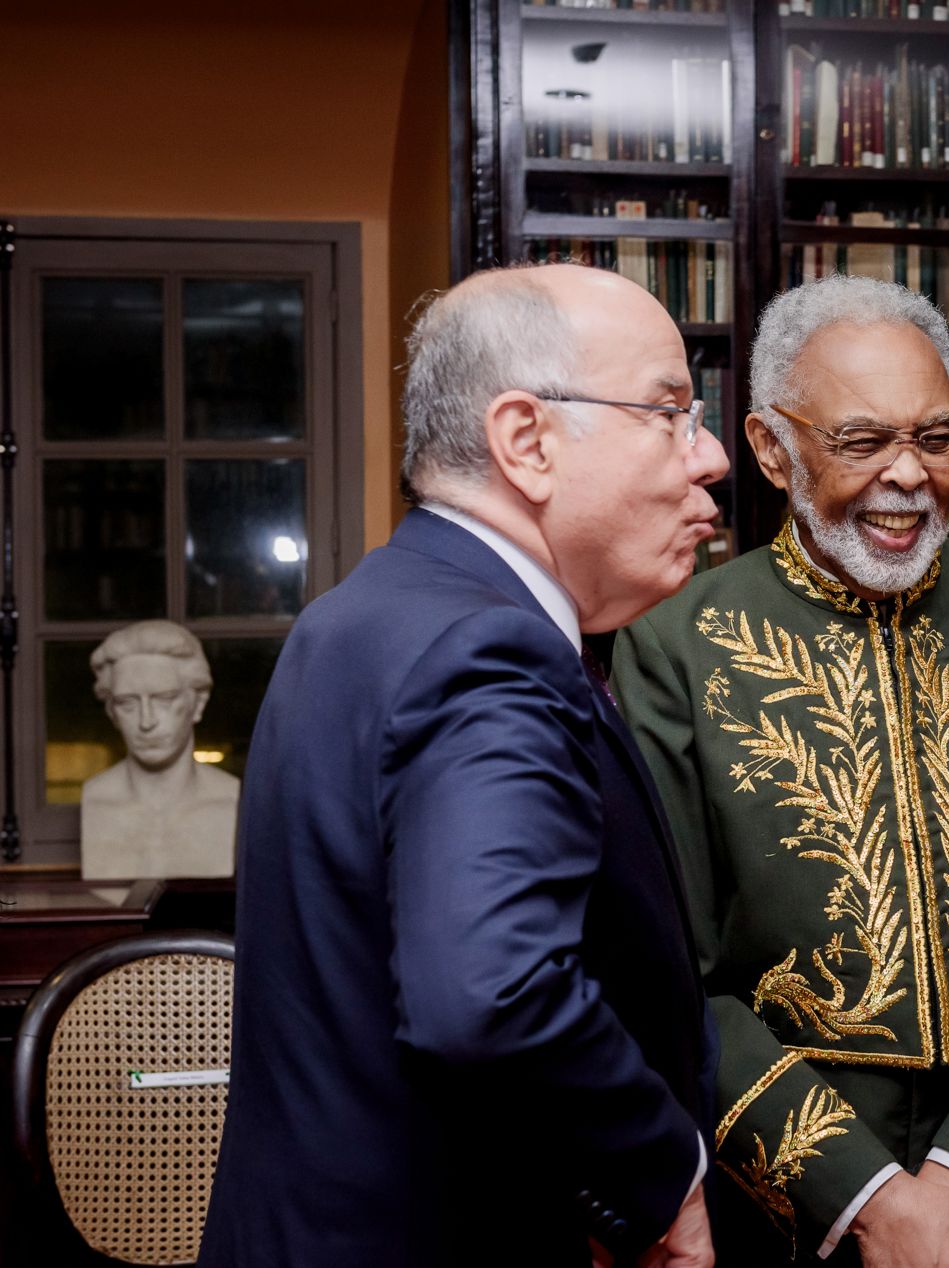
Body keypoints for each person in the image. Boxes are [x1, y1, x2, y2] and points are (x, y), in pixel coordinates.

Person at [613, 275, 949, 1267]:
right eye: (862, 441)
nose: (910, 475)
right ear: (772, 447)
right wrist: (862, 1194)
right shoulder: (674, 645)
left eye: (938, 438)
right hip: (789, 1210)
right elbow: (664, 966)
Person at [199, 263, 729, 1268]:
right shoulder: (488, 649)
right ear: (526, 440)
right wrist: (662, 1176)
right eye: (667, 412)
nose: (706, 456)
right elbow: (489, 994)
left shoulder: (358, 613)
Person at [79, 619, 240, 880]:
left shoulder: (229, 799)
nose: (146, 721)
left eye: (165, 699)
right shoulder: (96, 799)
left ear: (198, 703)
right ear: (111, 712)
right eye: (127, 703)